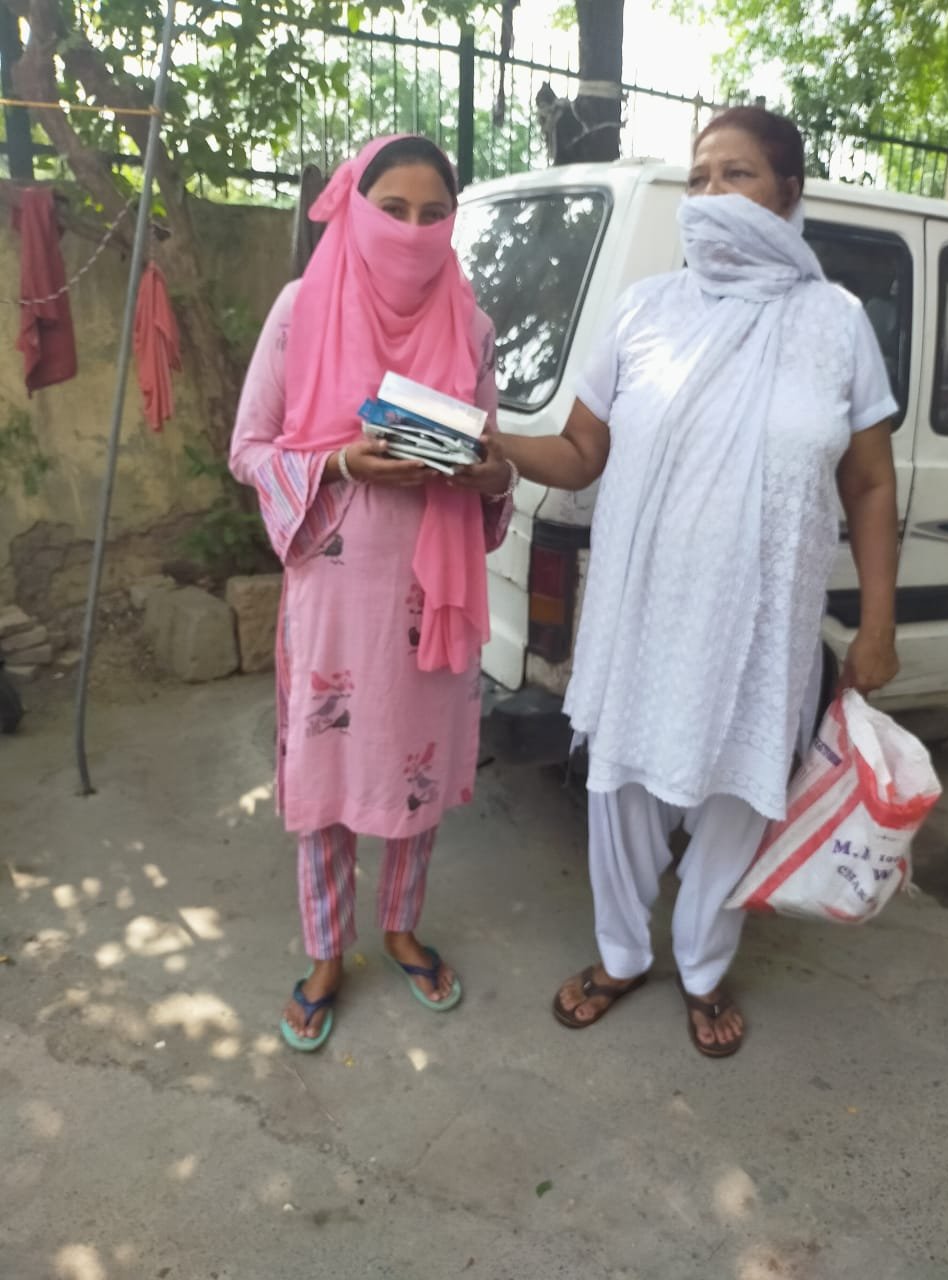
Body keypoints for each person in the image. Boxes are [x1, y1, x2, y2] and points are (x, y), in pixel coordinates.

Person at [463, 107, 900, 1058]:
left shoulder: (836, 324)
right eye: (698, 177)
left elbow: (869, 483)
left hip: (761, 626)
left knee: (740, 797)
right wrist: (494, 449)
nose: (710, 195)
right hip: (645, 612)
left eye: (736, 175)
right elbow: (582, 452)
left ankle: (702, 967)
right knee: (620, 788)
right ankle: (622, 954)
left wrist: (878, 624)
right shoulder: (646, 311)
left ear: (789, 195)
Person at [230, 135, 517, 1051]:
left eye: (434, 214)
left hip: (432, 593)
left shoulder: (471, 327)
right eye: (393, 209)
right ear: (355, 208)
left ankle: (399, 927)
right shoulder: (301, 308)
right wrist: (342, 464)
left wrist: (489, 475)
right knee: (328, 769)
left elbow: (493, 457)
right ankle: (325, 951)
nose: (413, 229)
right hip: (335, 594)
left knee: (413, 766)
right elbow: (248, 449)